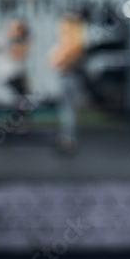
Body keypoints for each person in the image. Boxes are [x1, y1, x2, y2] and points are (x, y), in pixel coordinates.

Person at [46, 11, 87, 154]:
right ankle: (67, 138)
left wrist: (60, 60)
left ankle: (68, 140)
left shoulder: (72, 44)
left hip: (69, 78)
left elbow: (61, 61)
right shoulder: (71, 42)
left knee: (68, 112)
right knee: (67, 112)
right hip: (67, 78)